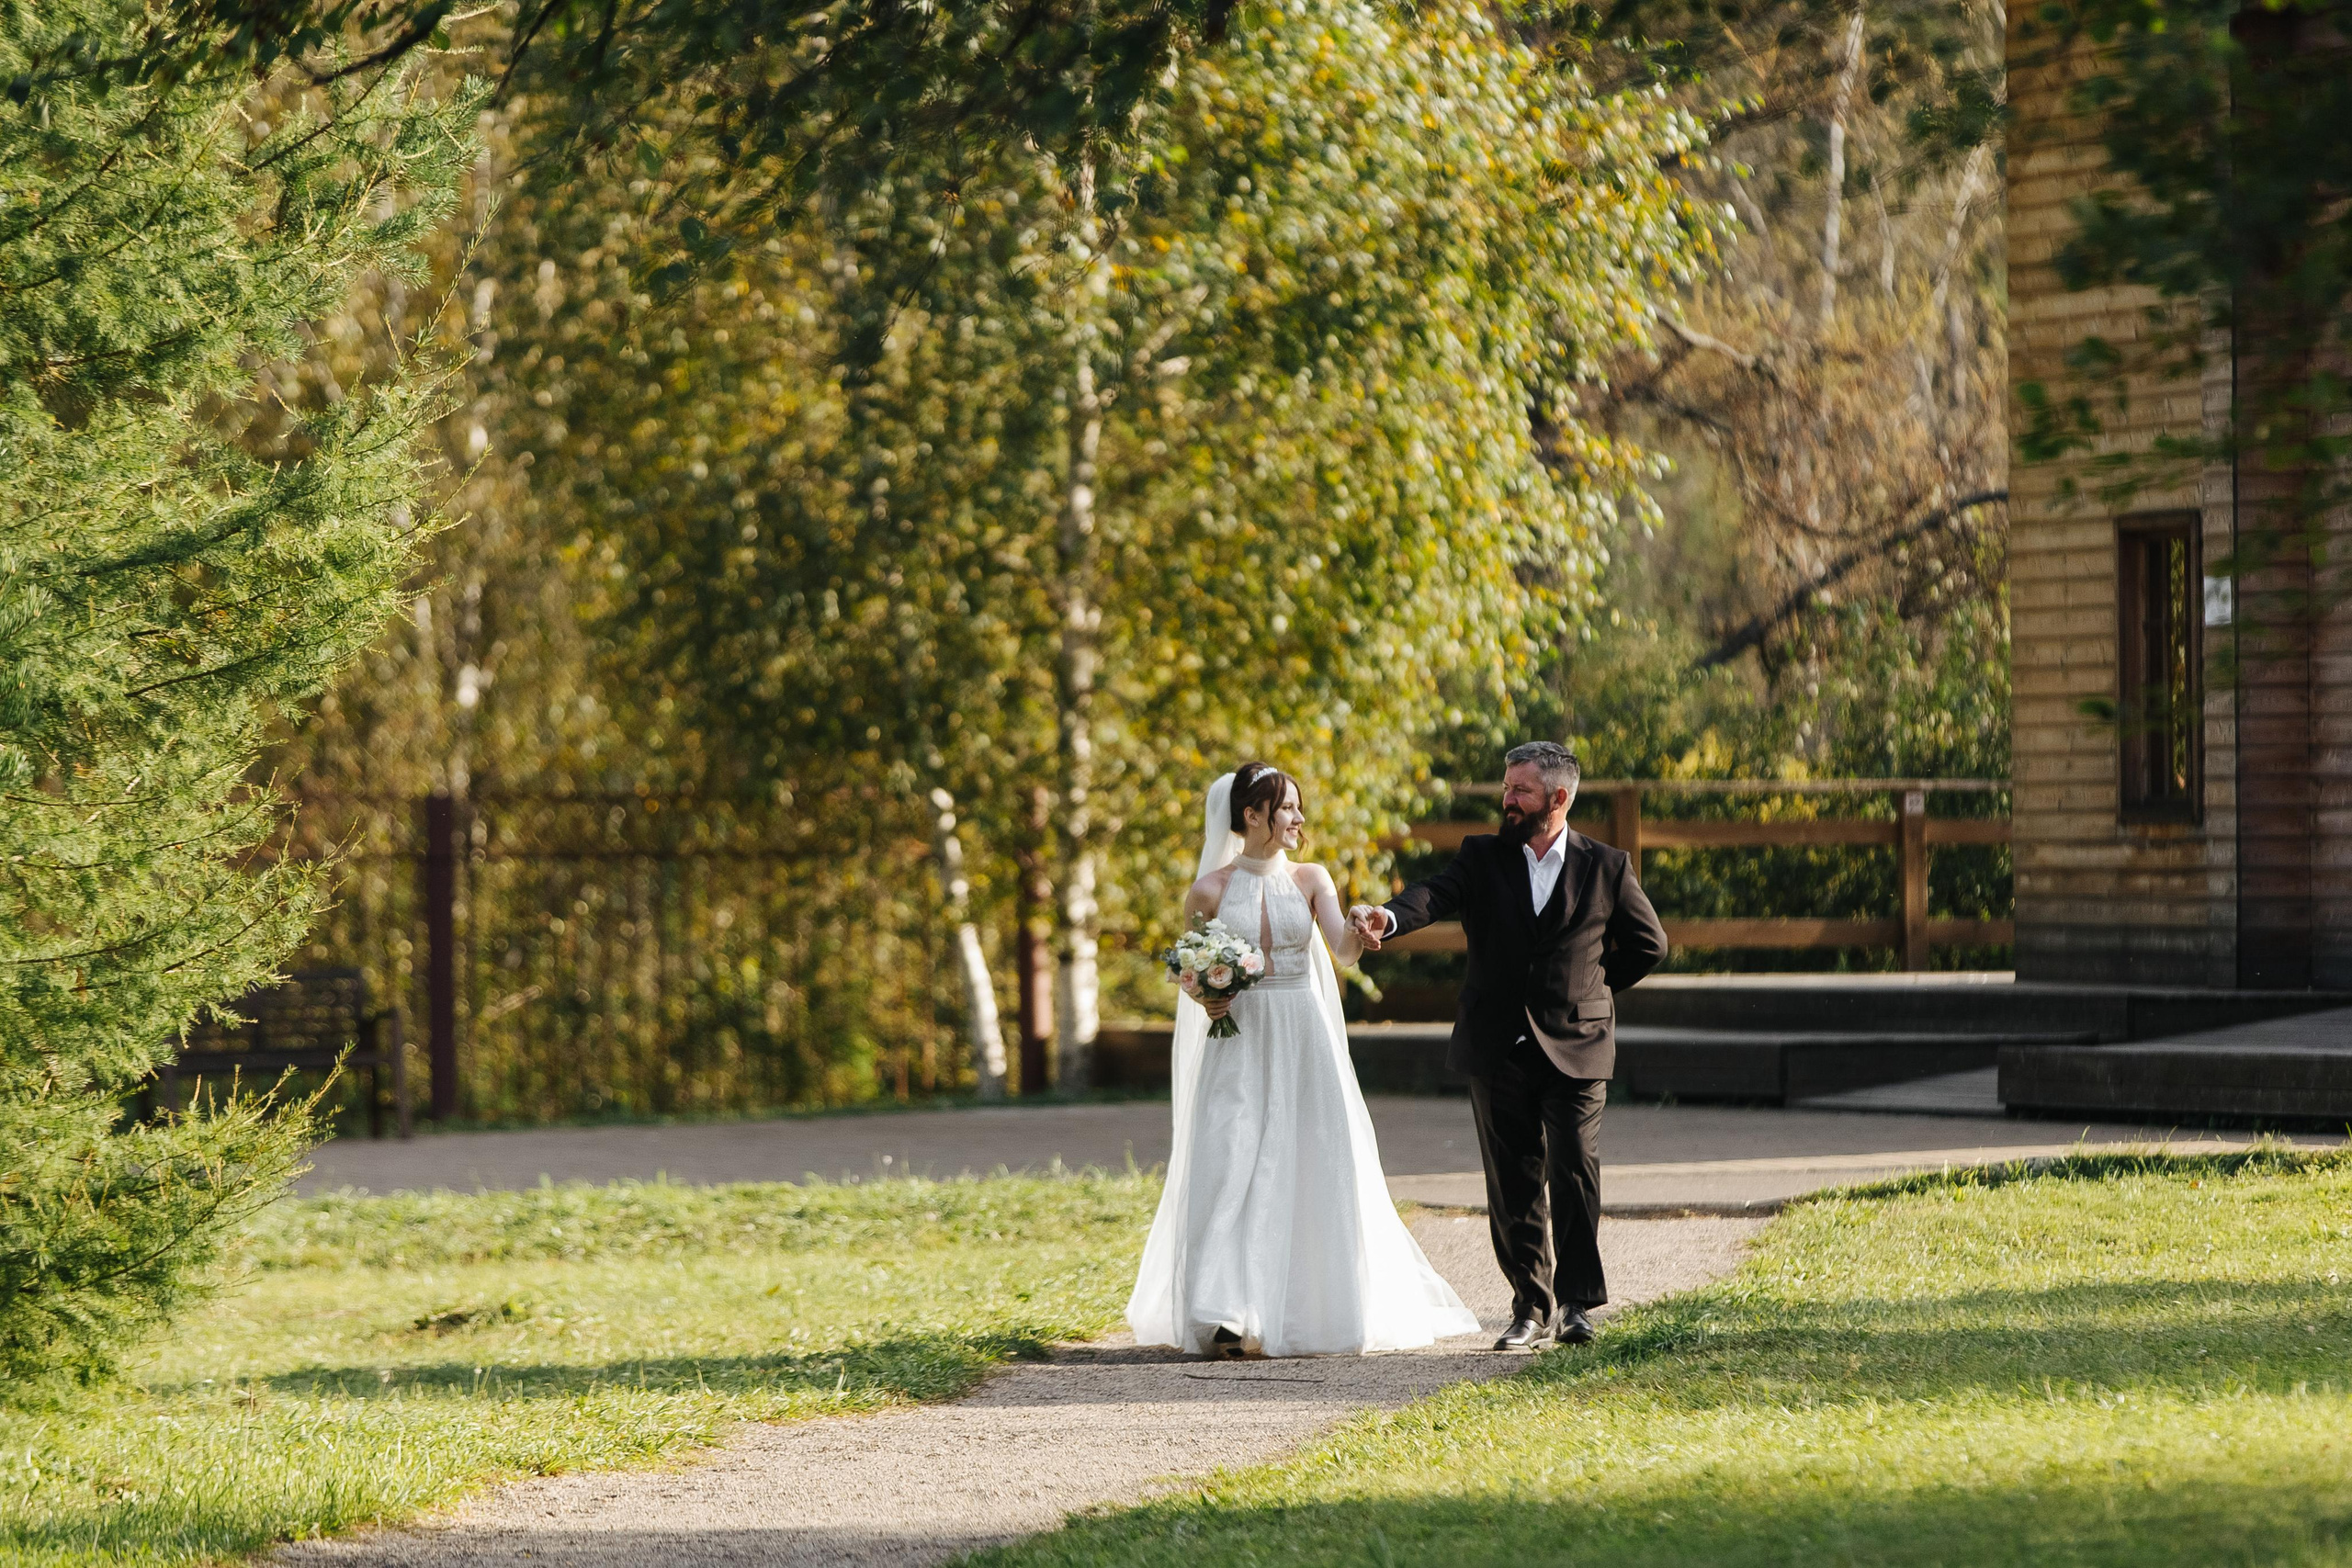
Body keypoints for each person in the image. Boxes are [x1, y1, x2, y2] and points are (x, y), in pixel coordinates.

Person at [1127, 762, 1479, 1359]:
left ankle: (1306, 1307)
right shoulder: (1208, 891)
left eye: (1296, 806)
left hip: (1302, 1033)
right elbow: (1191, 971)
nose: (1298, 818)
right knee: (1230, 1157)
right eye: (1286, 807)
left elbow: (1342, 950)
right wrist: (1209, 996)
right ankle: (1225, 1310)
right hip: (1238, 1039)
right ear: (1251, 815)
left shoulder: (1312, 878)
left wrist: (1361, 928)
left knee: (1308, 1156)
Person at [1350, 741, 1668, 1351]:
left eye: (1520, 789)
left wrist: (1592, 988)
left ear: (1558, 797)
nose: (1508, 799)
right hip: (1497, 1043)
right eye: (1506, 787)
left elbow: (1650, 943)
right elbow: (1433, 894)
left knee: (1574, 1167)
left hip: (1578, 1043)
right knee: (1511, 1180)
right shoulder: (1482, 855)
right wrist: (1388, 918)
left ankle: (1576, 1304)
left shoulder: (1606, 865)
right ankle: (1530, 1307)